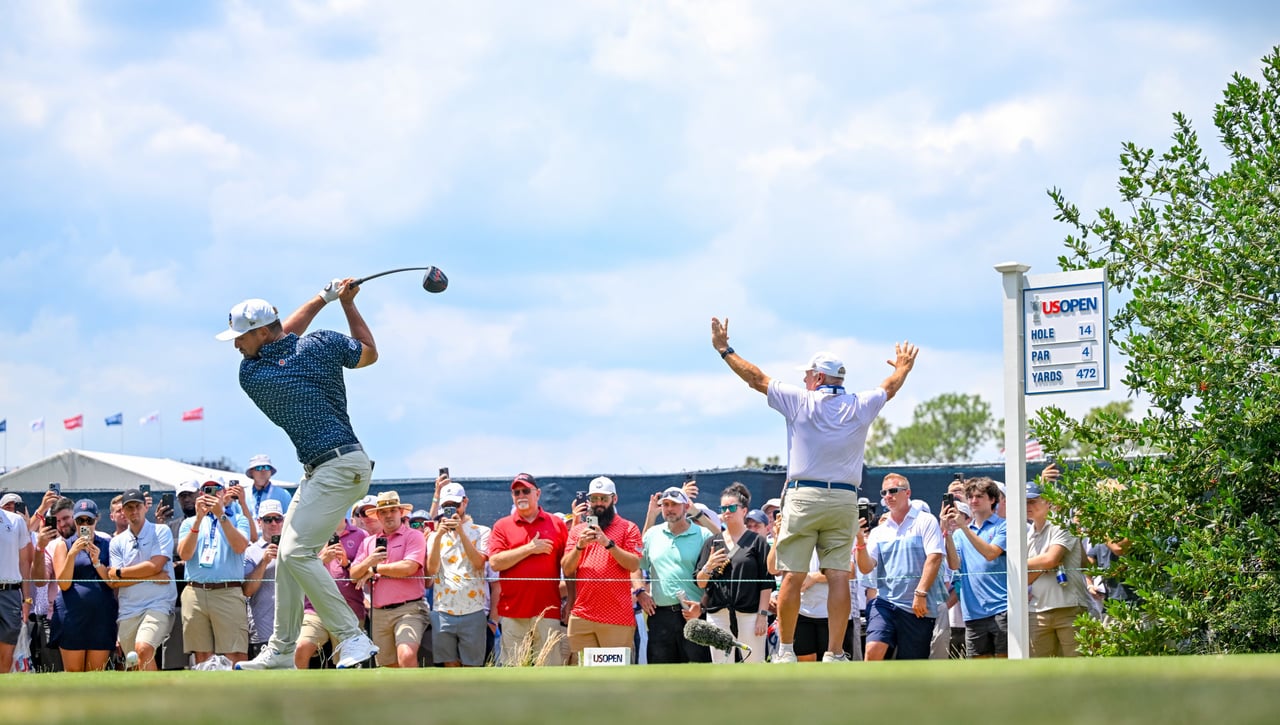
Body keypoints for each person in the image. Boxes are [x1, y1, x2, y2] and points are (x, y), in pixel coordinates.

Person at [710, 316, 918, 663]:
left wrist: (724, 350)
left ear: (819, 378)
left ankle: (787, 650)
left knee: (793, 572)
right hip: (844, 498)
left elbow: (755, 378)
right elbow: (890, 387)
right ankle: (835, 653)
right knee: (838, 575)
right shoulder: (859, 403)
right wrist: (903, 368)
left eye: (807, 374)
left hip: (805, 496)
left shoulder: (800, 401)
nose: (804, 378)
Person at [219, 281, 381, 671]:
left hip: (337, 467)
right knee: (289, 559)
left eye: (240, 337)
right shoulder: (320, 343)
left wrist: (322, 300)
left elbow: (285, 334)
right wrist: (343, 304)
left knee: (294, 553)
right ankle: (281, 650)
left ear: (259, 332)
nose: (235, 345)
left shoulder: (253, 373)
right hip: (333, 467)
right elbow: (369, 354)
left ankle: (352, 637)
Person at [856, 473, 946, 661]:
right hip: (885, 603)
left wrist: (920, 594)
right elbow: (865, 567)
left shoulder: (925, 521)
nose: (887, 496)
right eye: (884, 492)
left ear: (908, 493)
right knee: (872, 651)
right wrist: (859, 541)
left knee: (912, 666)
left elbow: (935, 557)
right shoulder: (879, 531)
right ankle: (868, 690)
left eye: (893, 491)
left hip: (918, 608)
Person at [488, 473, 568, 666]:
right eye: (516, 492)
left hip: (548, 611)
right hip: (513, 611)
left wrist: (570, 601)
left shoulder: (556, 524)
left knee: (549, 671)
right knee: (514, 671)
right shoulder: (502, 526)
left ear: (538, 493)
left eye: (525, 491)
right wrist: (530, 548)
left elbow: (569, 566)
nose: (521, 495)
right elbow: (495, 563)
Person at [561, 476, 643, 663]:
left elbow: (633, 564)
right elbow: (567, 568)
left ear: (614, 499)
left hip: (617, 617)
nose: (599, 503)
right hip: (582, 615)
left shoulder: (628, 528)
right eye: (594, 498)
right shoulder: (577, 531)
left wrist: (608, 543)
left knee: (615, 677)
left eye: (604, 499)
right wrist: (579, 546)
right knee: (582, 675)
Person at [694, 483, 774, 663]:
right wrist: (709, 566)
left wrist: (762, 615)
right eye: (723, 508)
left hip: (750, 615)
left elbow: (766, 583)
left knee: (754, 667)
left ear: (744, 511)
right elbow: (700, 583)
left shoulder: (758, 542)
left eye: (731, 507)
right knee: (722, 669)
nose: (727, 512)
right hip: (718, 615)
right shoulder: (712, 542)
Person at [349, 491, 429, 669]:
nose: (388, 515)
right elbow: (353, 574)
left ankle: (415, 697)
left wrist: (374, 569)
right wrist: (370, 561)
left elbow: (409, 568)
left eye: (392, 510)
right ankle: (398, 697)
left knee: (406, 656)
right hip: (378, 613)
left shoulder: (414, 536)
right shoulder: (369, 542)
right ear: (377, 515)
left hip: (409, 609)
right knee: (388, 666)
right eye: (383, 512)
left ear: (401, 512)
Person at [177, 477, 251, 665]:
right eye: (206, 490)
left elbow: (240, 546)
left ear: (224, 492)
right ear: (200, 494)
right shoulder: (189, 523)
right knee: (202, 657)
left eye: (216, 489)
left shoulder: (239, 519)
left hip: (227, 592)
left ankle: (238, 694)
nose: (211, 493)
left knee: (234, 654)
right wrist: (198, 520)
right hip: (195, 592)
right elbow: (184, 555)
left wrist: (221, 515)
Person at [637, 487, 712, 664]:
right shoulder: (652, 534)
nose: (669, 508)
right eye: (666, 504)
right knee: (660, 676)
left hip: (693, 614)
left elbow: (721, 539)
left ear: (686, 507)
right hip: (660, 616)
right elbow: (637, 563)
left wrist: (702, 607)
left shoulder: (703, 534)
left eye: (675, 505)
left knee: (698, 671)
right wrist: (640, 591)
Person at [106, 488, 176, 671]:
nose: (133, 511)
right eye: (129, 507)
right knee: (134, 664)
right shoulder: (117, 542)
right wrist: (152, 575)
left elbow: (156, 565)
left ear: (146, 507)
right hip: (128, 610)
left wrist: (121, 572)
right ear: (123, 511)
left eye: (137, 506)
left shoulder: (161, 531)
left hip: (158, 605)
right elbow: (115, 582)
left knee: (143, 649)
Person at [425, 482, 491, 667]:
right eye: (446, 506)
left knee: (473, 667)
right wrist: (437, 536)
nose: (451, 510)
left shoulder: (482, 531)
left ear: (465, 502)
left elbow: (479, 563)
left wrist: (461, 533)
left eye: (454, 505)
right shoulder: (433, 536)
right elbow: (431, 569)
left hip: (474, 609)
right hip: (443, 610)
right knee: (449, 666)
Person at [942, 477, 1009, 659]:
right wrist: (947, 533)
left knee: (1005, 668)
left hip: (1002, 608)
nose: (973, 501)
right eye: (970, 497)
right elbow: (954, 565)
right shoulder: (959, 533)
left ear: (993, 499)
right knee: (980, 672)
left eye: (979, 496)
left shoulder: (1004, 526)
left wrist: (963, 528)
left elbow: (990, 553)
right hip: (972, 612)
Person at [51, 499, 117, 671]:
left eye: (89, 520)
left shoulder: (107, 544)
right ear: (74, 520)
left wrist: (97, 562)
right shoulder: (63, 545)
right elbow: (63, 584)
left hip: (101, 616)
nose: (85, 525)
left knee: (96, 675)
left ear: (97, 520)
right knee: (73, 676)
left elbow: (112, 583)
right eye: (80, 520)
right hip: (73, 616)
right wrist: (72, 555)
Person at [1026, 481, 1091, 657]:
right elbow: (1027, 579)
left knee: (1078, 670)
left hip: (1069, 607)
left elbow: (1051, 559)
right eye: (1024, 501)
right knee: (1040, 673)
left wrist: (1024, 563)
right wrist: (1043, 564)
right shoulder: (1027, 535)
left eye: (1032, 500)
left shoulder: (1064, 525)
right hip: (1037, 611)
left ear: (1049, 502)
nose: (1027, 505)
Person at [295, 517, 367, 669]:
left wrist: (347, 563)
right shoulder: (309, 536)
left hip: (349, 610)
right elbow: (299, 569)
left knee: (347, 664)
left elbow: (363, 574)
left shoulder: (362, 536)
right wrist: (321, 560)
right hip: (315, 609)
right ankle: (298, 692)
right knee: (301, 648)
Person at [243, 500, 285, 659]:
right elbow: (247, 590)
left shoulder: (294, 549)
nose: (273, 523)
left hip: (293, 624)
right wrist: (264, 562)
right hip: (263, 625)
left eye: (277, 519)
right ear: (259, 523)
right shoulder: (250, 552)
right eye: (268, 519)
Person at [0, 494, 34, 673]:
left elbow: (24, 563)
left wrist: (27, 599)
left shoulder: (16, 521)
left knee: (6, 656)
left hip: (10, 593)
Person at [243, 454, 293, 518]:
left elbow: (289, 519)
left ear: (270, 471)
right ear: (251, 472)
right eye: (259, 467)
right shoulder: (243, 494)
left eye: (267, 467)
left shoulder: (284, 494)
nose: (263, 471)